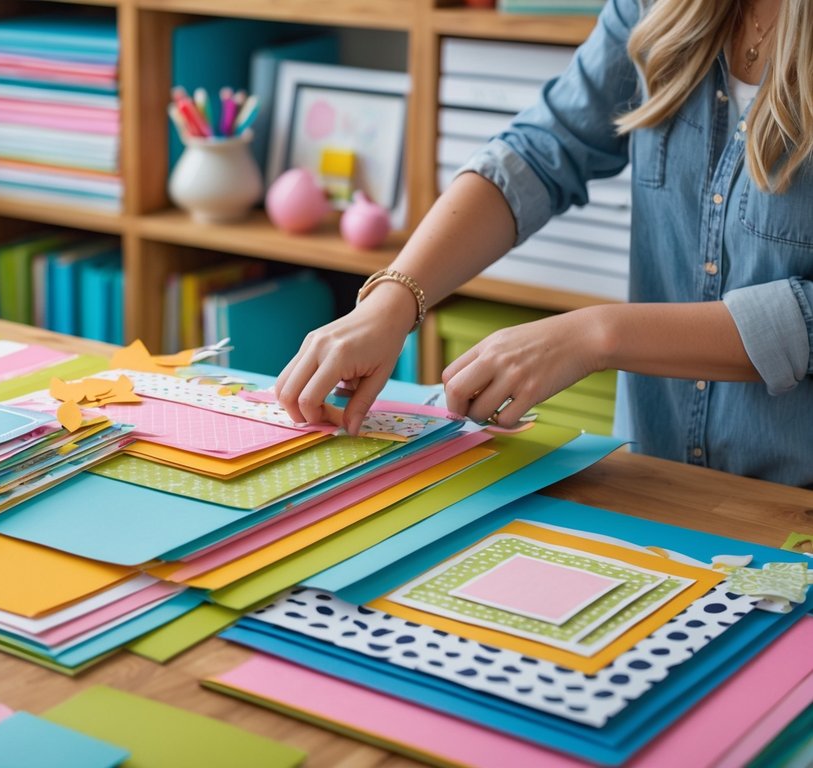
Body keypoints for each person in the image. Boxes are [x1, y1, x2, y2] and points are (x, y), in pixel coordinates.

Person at [276, 0, 813, 488]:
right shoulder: (651, 7)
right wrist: (393, 300)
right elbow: (543, 150)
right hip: (650, 476)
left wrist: (597, 335)